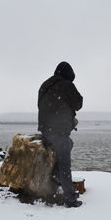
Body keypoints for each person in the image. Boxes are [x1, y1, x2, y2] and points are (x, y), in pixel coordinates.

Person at [37, 61, 83, 207]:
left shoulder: (45, 85)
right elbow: (79, 103)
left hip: (45, 129)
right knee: (65, 164)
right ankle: (70, 199)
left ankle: (56, 175)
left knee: (68, 144)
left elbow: (41, 105)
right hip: (58, 130)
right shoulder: (66, 84)